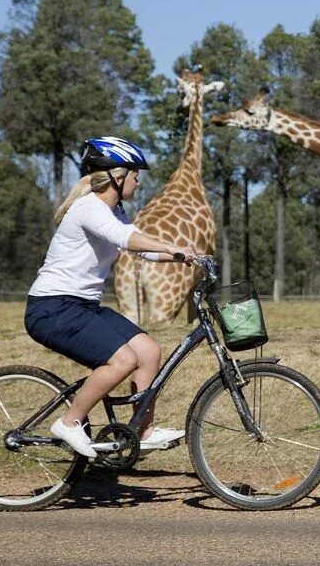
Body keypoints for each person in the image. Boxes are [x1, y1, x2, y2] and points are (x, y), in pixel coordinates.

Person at [25, 136, 197, 458]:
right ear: (118, 177)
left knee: (147, 351)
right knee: (123, 360)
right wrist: (168, 246)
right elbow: (126, 239)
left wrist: (181, 256)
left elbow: (135, 249)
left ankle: (141, 430)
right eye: (135, 174)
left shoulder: (114, 212)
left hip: (82, 306)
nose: (138, 181)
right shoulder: (89, 208)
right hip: (52, 308)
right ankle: (69, 422)